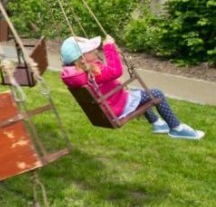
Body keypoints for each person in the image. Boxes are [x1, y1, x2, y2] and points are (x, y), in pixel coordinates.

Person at [60, 35, 205, 140]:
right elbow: (115, 71)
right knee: (156, 94)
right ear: (82, 58)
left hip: (110, 106)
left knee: (138, 94)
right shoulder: (93, 72)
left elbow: (106, 78)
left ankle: (157, 123)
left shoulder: (77, 73)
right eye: (91, 51)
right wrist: (109, 48)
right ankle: (176, 128)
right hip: (117, 107)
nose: (96, 51)